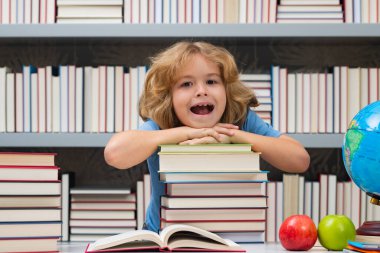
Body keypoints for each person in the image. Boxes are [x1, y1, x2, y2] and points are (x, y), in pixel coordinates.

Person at [104, 41, 310, 232]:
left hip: (228, 235)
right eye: (186, 84)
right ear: (169, 97)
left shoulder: (240, 120)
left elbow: (300, 160)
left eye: (211, 81)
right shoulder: (162, 125)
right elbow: (114, 153)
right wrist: (186, 133)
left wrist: (236, 136)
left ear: (227, 90)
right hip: (163, 235)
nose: (201, 91)